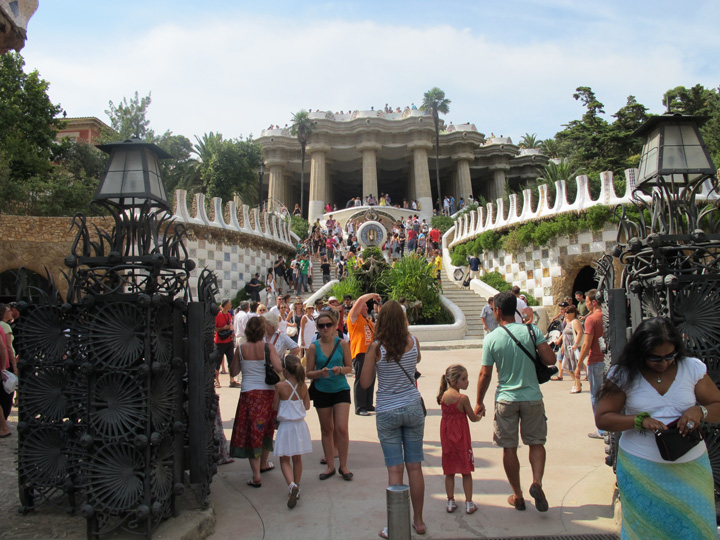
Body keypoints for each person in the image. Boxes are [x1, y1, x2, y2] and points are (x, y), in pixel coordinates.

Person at [595, 317, 720, 539]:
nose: (663, 363)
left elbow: (716, 405)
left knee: (695, 530)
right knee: (646, 531)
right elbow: (603, 418)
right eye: (655, 358)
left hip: (690, 470)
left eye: (670, 356)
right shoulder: (624, 374)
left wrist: (699, 412)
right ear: (640, 352)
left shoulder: (691, 369)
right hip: (642, 470)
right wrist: (639, 421)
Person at [474, 291, 556, 512]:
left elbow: (485, 374)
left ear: (497, 311)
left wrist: (479, 401)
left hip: (506, 399)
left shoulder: (492, 338)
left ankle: (518, 495)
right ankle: (537, 483)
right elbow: (551, 359)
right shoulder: (531, 331)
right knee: (536, 443)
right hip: (532, 396)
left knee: (509, 448)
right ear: (516, 309)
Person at [360, 300, 425, 537]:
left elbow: (365, 383)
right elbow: (416, 361)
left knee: (395, 470)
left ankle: (396, 524)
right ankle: (418, 521)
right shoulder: (413, 341)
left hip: (387, 409)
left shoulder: (376, 348)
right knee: (415, 467)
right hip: (412, 406)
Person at [229, 316, 283, 487]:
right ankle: (264, 463)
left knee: (253, 432)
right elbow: (279, 368)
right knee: (266, 428)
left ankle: (256, 474)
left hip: (248, 394)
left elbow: (234, 370)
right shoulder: (269, 347)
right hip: (268, 393)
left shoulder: (241, 348)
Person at [306, 310, 353, 480]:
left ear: (334, 327)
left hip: (340, 388)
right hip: (322, 390)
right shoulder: (313, 347)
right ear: (317, 328)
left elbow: (349, 367)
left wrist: (340, 370)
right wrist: (320, 373)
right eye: (321, 325)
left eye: (328, 325)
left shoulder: (342, 344)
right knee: (326, 429)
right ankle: (330, 466)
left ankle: (344, 466)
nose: (325, 328)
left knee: (341, 428)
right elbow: (308, 373)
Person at [437, 364, 481, 514]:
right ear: (454, 381)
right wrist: (480, 414)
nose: (467, 381)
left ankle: (450, 501)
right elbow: (473, 418)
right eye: (464, 379)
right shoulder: (463, 398)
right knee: (465, 471)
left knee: (449, 471)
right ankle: (469, 503)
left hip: (447, 437)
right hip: (461, 438)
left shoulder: (443, 396)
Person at [272, 354, 312, 509]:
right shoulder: (303, 386)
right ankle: (298, 485)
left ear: (285, 370)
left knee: (284, 460)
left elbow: (275, 407)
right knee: (297, 458)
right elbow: (307, 406)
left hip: (286, 426)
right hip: (300, 425)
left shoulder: (280, 386)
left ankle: (291, 485)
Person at [576, 288, 606, 439]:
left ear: (594, 302)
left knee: (596, 396)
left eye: (587, 301)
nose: (586, 304)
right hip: (608, 360)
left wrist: (579, 363)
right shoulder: (607, 316)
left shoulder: (591, 319)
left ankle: (602, 429)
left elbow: (586, 344)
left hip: (595, 360)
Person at [347, 293, 378, 416]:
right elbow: (359, 299)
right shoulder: (353, 318)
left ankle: (368, 404)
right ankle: (360, 407)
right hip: (360, 352)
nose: (366, 308)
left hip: (371, 354)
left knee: (371, 378)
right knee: (361, 380)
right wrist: (373, 295)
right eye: (364, 306)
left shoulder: (368, 321)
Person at [561, 305, 584, 394]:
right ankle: (576, 382)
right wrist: (563, 346)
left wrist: (575, 344)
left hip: (573, 347)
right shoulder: (568, 322)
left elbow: (580, 332)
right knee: (566, 366)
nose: (566, 314)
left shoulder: (575, 322)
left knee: (574, 366)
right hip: (568, 346)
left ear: (573, 313)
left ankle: (577, 385)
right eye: (565, 312)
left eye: (568, 312)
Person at [214, 299, 234, 388]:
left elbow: (229, 326)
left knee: (231, 361)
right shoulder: (217, 315)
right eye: (230, 304)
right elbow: (214, 329)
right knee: (217, 362)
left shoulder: (229, 315)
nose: (231, 306)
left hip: (229, 341)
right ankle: (216, 380)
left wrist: (231, 332)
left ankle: (232, 380)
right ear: (225, 305)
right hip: (219, 342)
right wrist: (223, 328)